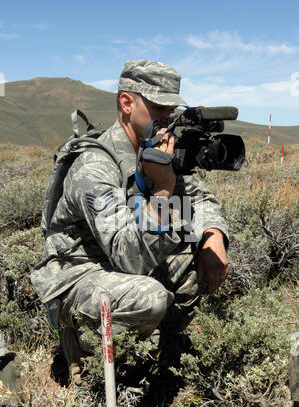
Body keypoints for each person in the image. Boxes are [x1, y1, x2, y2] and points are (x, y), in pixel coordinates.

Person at [31, 60, 229, 385]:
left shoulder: (154, 148)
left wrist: (212, 235)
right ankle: (84, 350)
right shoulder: (93, 166)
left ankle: (163, 353)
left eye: (171, 111)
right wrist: (164, 189)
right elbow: (129, 257)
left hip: (120, 261)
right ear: (127, 103)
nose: (167, 120)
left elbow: (198, 197)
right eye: (158, 109)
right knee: (150, 297)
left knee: (191, 264)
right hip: (79, 271)